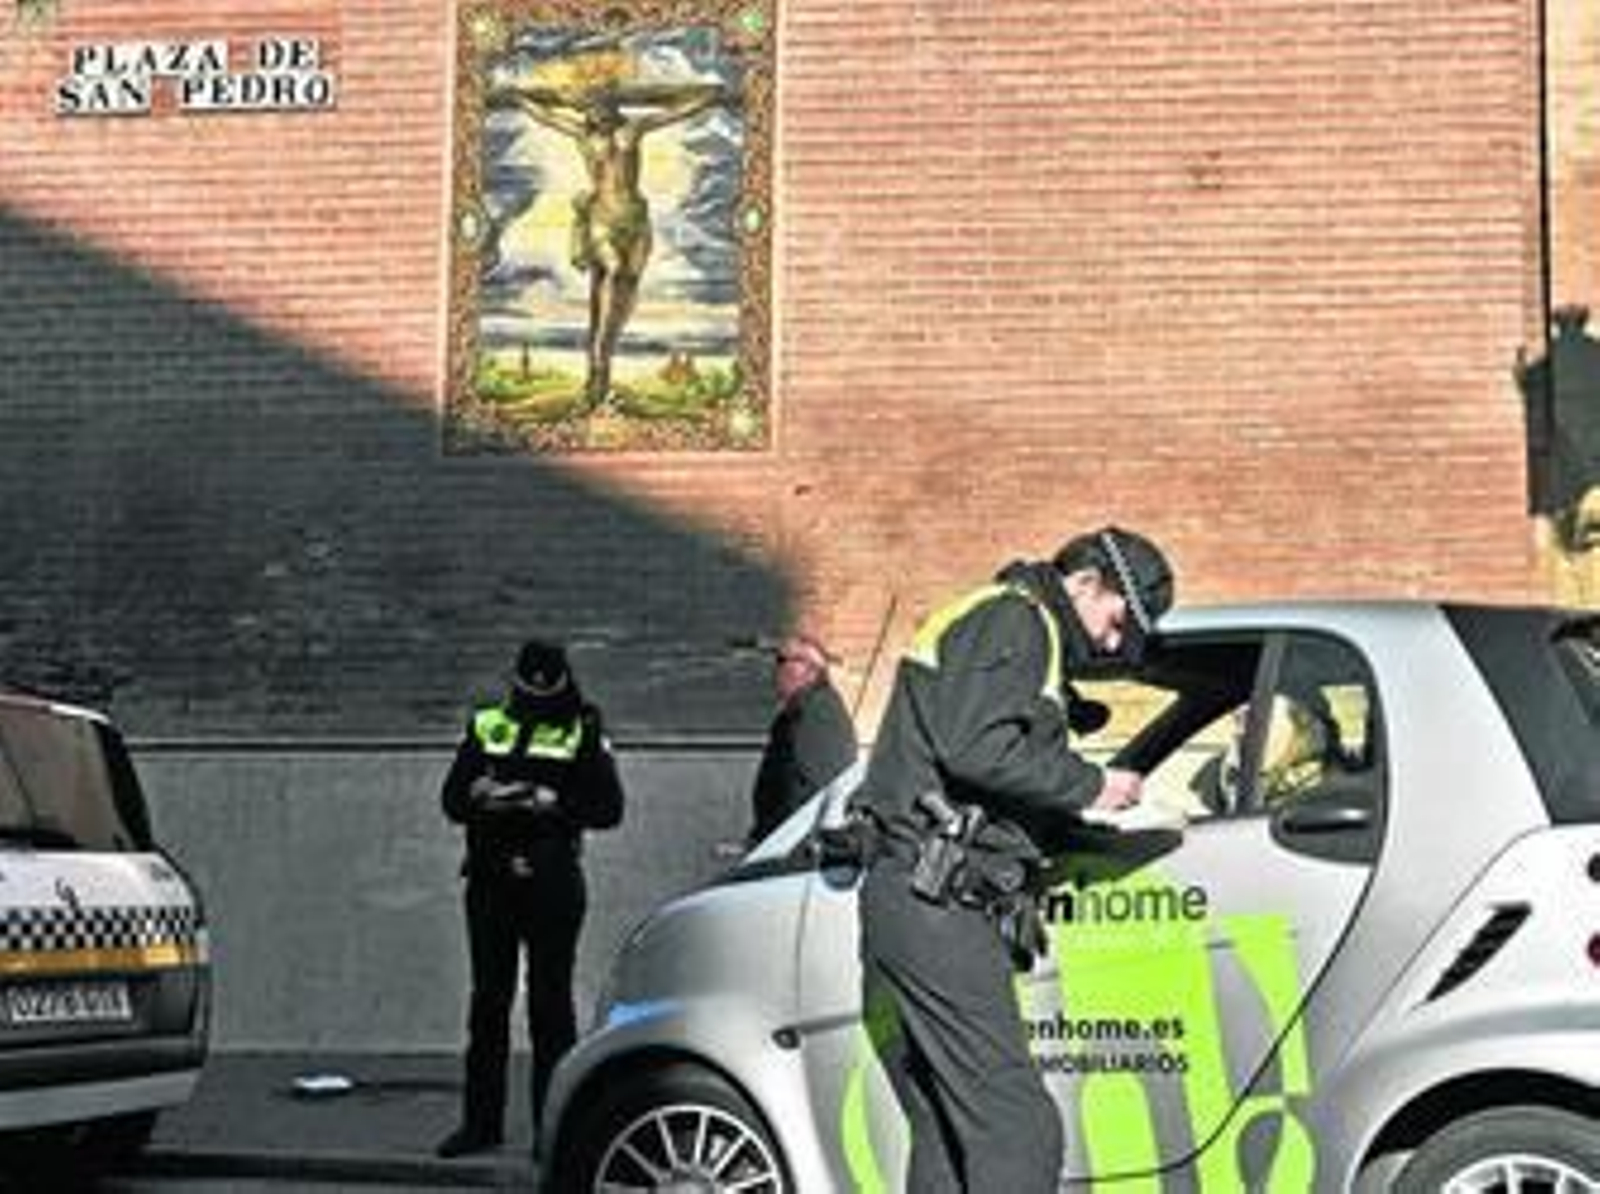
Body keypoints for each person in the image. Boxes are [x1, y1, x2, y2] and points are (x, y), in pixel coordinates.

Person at [848, 526, 1175, 1192]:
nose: (1115, 643)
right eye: (1118, 622)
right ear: (1084, 583)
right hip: (935, 899)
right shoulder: (1017, 619)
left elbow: (971, 753)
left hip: (916, 897)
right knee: (1017, 1125)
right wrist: (1094, 786)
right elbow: (978, 747)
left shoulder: (1005, 623)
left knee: (947, 1132)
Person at [435, 639, 625, 1158]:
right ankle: (481, 1125)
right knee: (488, 1005)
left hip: (552, 880)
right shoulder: (487, 724)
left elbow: (608, 807)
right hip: (492, 880)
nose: (538, 696)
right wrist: (480, 796)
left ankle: (552, 1129)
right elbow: (451, 798)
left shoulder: (583, 727)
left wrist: (554, 802)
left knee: (550, 1007)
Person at [497, 78, 726, 409]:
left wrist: (709, 96)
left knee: (627, 286)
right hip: (601, 219)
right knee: (614, 273)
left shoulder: (634, 129)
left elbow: (677, 113)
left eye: (599, 104)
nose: (594, 112)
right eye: (588, 106)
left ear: (612, 104)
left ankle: (601, 359)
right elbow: (545, 116)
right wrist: (518, 96)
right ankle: (599, 364)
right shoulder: (583, 134)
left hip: (635, 218)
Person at [747, 634, 858, 846]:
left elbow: (805, 784)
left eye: (782, 661)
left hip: (789, 845)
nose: (775, 670)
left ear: (809, 670)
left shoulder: (815, 714)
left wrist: (774, 841)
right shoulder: (809, 709)